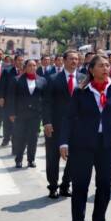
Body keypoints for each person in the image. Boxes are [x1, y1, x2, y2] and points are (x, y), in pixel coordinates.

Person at [59, 54, 111, 221]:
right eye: (101, 65)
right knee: (81, 185)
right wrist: (64, 141)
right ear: (91, 69)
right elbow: (69, 117)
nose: (106, 68)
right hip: (83, 144)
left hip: (108, 145)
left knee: (105, 185)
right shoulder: (81, 90)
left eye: (107, 65)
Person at [43, 50, 81, 198]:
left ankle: (66, 185)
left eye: (76, 59)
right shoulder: (52, 79)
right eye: (71, 59)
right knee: (53, 157)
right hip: (56, 124)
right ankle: (53, 186)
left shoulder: (83, 79)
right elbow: (46, 103)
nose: (74, 61)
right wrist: (47, 122)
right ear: (64, 61)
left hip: (77, 127)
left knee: (74, 157)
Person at [7, 58, 46, 169]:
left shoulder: (42, 80)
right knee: (20, 137)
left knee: (33, 138)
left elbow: (45, 98)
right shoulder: (17, 80)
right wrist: (12, 113)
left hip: (35, 115)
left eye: (34, 66)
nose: (32, 68)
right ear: (25, 67)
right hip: (21, 114)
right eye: (30, 65)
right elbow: (11, 98)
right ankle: (18, 160)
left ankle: (31, 160)